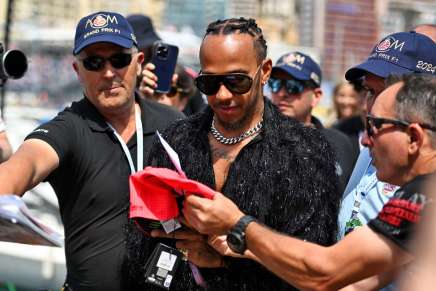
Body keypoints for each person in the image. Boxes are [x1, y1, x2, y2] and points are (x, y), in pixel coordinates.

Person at [124, 17, 341, 291]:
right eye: (210, 83)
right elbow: (140, 247)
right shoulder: (175, 141)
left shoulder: (305, 152)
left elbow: (311, 266)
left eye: (237, 81)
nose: (223, 95)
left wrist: (225, 261)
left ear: (264, 72)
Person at [182, 74, 436, 290]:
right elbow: (352, 283)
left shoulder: (424, 197)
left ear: (414, 136)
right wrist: (245, 248)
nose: (366, 141)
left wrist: (238, 224)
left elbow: (325, 271)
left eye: (375, 127)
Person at [0, 11, 183, 291]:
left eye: (119, 60)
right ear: (77, 69)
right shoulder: (69, 128)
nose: (108, 72)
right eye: (94, 62)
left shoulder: (174, 124)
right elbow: (27, 162)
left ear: (138, 62)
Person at [338, 31, 436, 239]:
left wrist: (250, 226)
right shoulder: (370, 146)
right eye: (370, 91)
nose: (371, 106)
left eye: (385, 93)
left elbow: (336, 267)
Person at [269, 52, 356, 192]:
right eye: (275, 84)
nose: (281, 93)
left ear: (316, 96)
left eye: (293, 86)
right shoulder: (257, 139)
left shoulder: (341, 144)